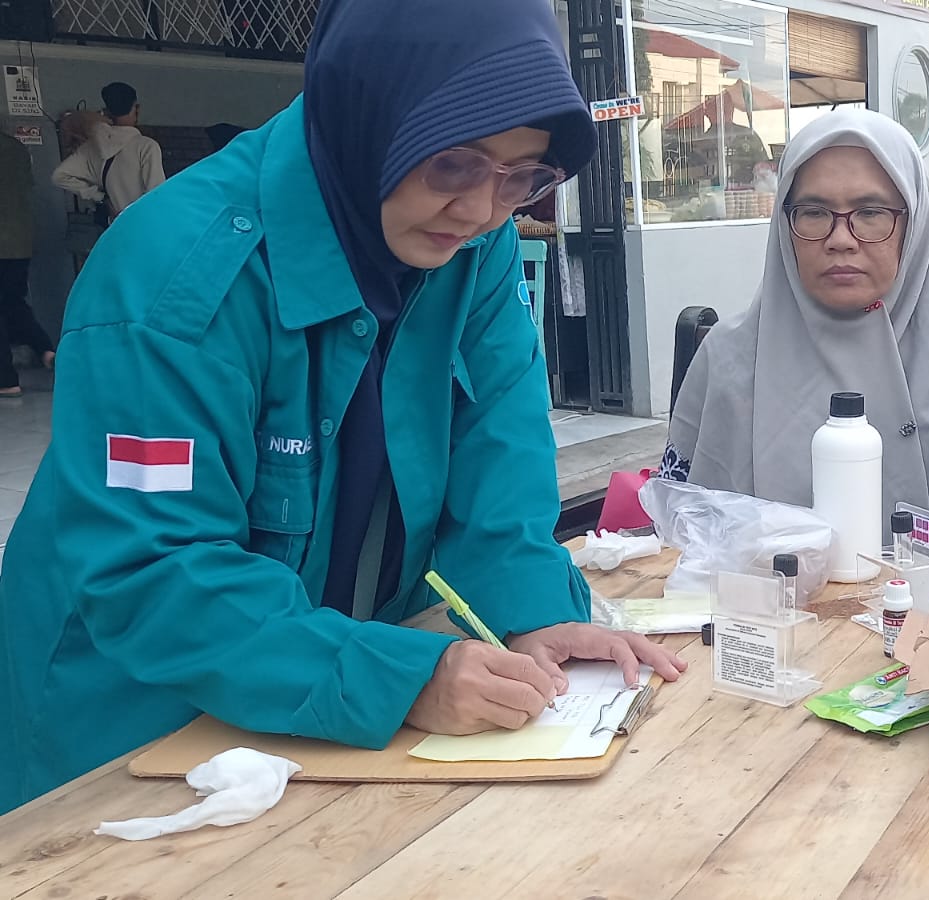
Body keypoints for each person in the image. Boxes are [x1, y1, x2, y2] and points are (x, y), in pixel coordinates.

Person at [0, 0, 685, 814]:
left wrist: (531, 612)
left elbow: (500, 452)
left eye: (522, 176)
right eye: (453, 164)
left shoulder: (476, 244)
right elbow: (153, 569)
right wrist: (401, 679)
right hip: (128, 725)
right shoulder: (171, 276)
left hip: (323, 703)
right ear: (368, 112)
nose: (480, 209)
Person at [664, 109, 929, 568]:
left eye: (870, 213)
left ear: (912, 223)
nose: (840, 239)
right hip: (765, 608)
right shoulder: (730, 357)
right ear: (785, 226)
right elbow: (679, 529)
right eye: (814, 213)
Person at [50, 81, 166, 223]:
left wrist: (99, 196)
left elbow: (59, 176)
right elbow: (157, 195)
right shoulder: (147, 147)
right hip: (141, 226)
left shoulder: (92, 147)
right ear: (137, 109)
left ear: (107, 111)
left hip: (114, 226)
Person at [0, 128, 54, 395]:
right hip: (19, 241)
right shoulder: (17, 148)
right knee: (12, 302)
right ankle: (46, 349)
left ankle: (5, 380)